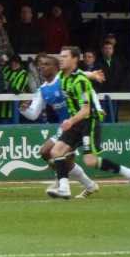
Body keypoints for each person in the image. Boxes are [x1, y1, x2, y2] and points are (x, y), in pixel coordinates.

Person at [47, 46, 130, 199]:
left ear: (75, 59)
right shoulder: (63, 76)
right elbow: (79, 73)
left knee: (90, 161)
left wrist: (70, 121)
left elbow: (85, 110)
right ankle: (64, 188)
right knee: (56, 151)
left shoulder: (81, 82)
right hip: (75, 122)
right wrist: (92, 74)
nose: (61, 59)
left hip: (88, 122)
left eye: (65, 56)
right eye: (60, 56)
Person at [20, 54, 100, 198]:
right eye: (40, 65)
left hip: (79, 122)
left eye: (46, 64)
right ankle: (87, 185)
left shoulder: (64, 79)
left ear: (56, 68)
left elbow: (86, 84)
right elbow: (33, 115)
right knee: (46, 153)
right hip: (65, 126)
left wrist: (98, 106)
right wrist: (24, 110)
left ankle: (62, 184)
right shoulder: (42, 90)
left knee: (58, 155)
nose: (41, 67)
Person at [0, 55, 30, 123]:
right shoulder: (6, 69)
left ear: (20, 63)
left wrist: (5, 87)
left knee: (11, 130)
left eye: (16, 62)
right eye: (12, 62)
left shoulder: (23, 73)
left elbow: (17, 90)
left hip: (13, 109)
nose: (13, 64)